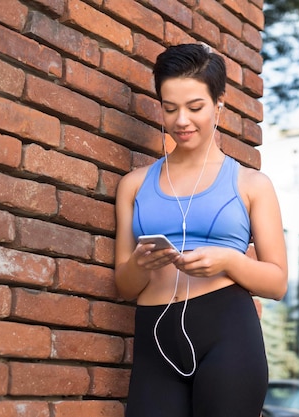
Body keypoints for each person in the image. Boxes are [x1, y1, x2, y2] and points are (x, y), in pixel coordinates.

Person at [114, 43, 288, 417]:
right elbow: (124, 287)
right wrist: (141, 265)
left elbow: (276, 283)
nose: (181, 121)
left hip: (228, 333)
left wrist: (229, 260)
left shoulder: (252, 184)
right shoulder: (134, 185)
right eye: (170, 108)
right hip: (155, 338)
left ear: (218, 104)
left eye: (195, 107)